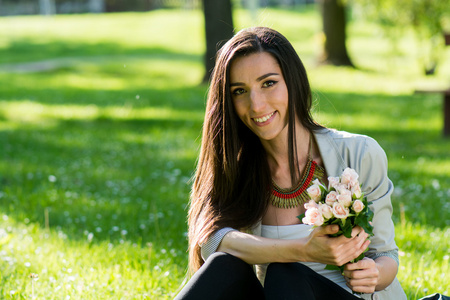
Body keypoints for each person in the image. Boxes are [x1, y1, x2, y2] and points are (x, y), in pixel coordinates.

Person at [175, 27, 407, 300]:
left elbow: (386, 254)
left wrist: (375, 273)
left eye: (268, 83)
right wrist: (303, 250)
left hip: (352, 296)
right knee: (225, 265)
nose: (256, 105)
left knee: (285, 274)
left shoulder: (359, 153)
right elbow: (212, 241)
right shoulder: (236, 167)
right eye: (240, 91)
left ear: (293, 81)